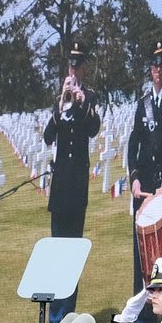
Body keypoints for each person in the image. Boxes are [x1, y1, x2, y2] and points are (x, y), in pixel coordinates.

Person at [125, 43, 162, 289]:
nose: (157, 70)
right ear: (150, 70)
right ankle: (141, 303)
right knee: (142, 247)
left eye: (161, 65)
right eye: (153, 65)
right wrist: (134, 178)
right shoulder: (143, 103)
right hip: (145, 180)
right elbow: (133, 145)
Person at [43, 47, 97, 245]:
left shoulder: (90, 97)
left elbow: (93, 129)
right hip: (61, 178)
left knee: (75, 239)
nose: (73, 72)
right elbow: (48, 137)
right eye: (70, 68)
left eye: (77, 68)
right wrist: (58, 111)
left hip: (78, 179)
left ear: (83, 69)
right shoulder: (59, 100)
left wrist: (82, 104)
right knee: (57, 237)